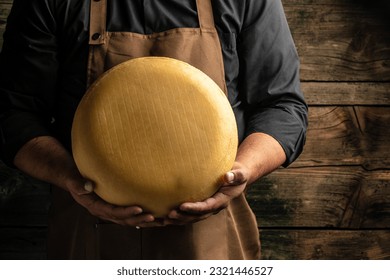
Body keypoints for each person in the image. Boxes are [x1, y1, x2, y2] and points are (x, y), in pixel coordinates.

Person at [0, 0, 308, 259]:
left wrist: (243, 170)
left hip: (212, 241)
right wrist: (71, 178)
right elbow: (13, 115)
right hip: (87, 233)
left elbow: (282, 107)